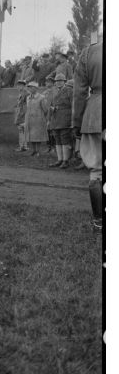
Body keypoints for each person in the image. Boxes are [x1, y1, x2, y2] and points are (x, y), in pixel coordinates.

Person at [73, 35, 103, 231]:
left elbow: (79, 92)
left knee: (97, 171)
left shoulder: (89, 52)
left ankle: (99, 221)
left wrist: (77, 122)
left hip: (95, 113)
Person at [48, 73, 73, 168]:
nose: (58, 83)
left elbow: (73, 105)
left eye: (60, 81)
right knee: (57, 139)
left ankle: (66, 161)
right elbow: (50, 105)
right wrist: (49, 119)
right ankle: (59, 160)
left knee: (64, 139)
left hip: (65, 118)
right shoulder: (54, 91)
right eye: (56, 81)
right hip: (55, 118)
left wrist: (72, 120)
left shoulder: (69, 90)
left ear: (64, 81)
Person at [24, 81, 48, 157]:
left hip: (38, 120)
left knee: (38, 136)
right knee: (31, 136)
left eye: (31, 87)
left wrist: (41, 117)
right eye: (29, 87)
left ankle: (37, 151)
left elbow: (45, 109)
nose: (29, 89)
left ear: (35, 88)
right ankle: (34, 150)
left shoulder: (41, 97)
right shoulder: (28, 98)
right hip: (30, 120)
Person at [13, 80, 28, 152]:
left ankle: (22, 146)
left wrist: (24, 113)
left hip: (24, 114)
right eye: (18, 85)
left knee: (22, 130)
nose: (18, 87)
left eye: (20, 85)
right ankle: (23, 146)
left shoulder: (25, 94)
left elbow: (26, 105)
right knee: (22, 130)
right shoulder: (21, 94)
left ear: (24, 86)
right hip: (20, 114)